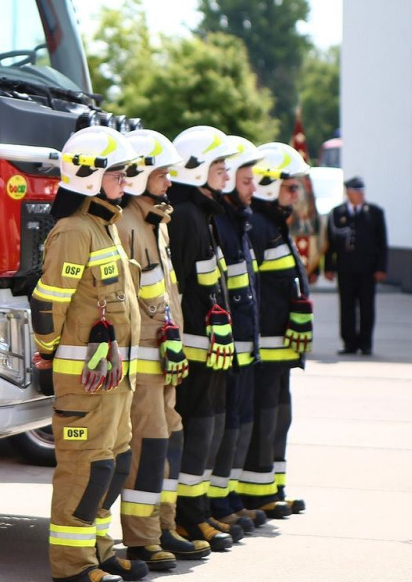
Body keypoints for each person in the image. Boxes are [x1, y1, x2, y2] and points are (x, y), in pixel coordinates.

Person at [31, 125, 151, 582]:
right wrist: (48, 354)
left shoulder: (105, 227)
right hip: (85, 382)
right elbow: (48, 303)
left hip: (113, 381)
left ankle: (99, 553)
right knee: (84, 470)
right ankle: (72, 566)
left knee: (111, 467)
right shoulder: (74, 231)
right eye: (117, 174)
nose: (125, 181)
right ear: (89, 177)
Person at [115, 129, 209, 568]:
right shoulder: (125, 225)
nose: (169, 182)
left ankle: (164, 527)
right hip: (144, 362)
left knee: (170, 440)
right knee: (149, 447)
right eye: (161, 174)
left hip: (165, 358)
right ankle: (142, 539)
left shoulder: (156, 223)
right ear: (137, 176)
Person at [164, 125, 239, 552]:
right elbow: (177, 291)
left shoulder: (205, 214)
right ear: (196, 169)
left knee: (205, 430)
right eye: (219, 165)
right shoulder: (187, 218)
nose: (227, 173)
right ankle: (188, 517)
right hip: (192, 352)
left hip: (209, 350)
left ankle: (198, 511)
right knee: (193, 431)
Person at [241, 142, 312, 518]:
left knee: (279, 419)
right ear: (268, 185)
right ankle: (257, 495)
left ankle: (273, 488)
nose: (296, 194)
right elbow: (249, 291)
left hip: (280, 351)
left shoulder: (275, 226)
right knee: (263, 420)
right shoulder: (258, 227)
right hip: (264, 353)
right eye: (290, 186)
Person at [208, 135, 268, 534]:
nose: (252, 188)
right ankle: (216, 502)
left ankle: (227, 498)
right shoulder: (223, 226)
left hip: (244, 346)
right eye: (245, 181)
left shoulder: (239, 225)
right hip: (228, 349)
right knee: (226, 424)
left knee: (239, 421)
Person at [325, 176, 388, 355]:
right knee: (346, 306)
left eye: (362, 191)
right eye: (356, 191)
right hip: (345, 268)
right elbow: (330, 243)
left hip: (368, 269)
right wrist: (329, 267)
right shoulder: (337, 213)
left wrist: (381, 268)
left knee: (367, 307)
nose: (360, 194)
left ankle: (366, 343)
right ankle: (349, 343)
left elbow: (382, 242)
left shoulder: (374, 212)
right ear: (348, 193)